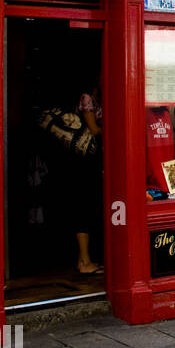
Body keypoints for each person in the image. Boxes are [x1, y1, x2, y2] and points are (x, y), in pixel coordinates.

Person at [73, 81, 104, 275]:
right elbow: (93, 129)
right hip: (85, 160)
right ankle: (84, 261)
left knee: (93, 207)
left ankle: (88, 259)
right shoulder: (87, 98)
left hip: (97, 160)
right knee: (84, 206)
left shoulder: (101, 100)